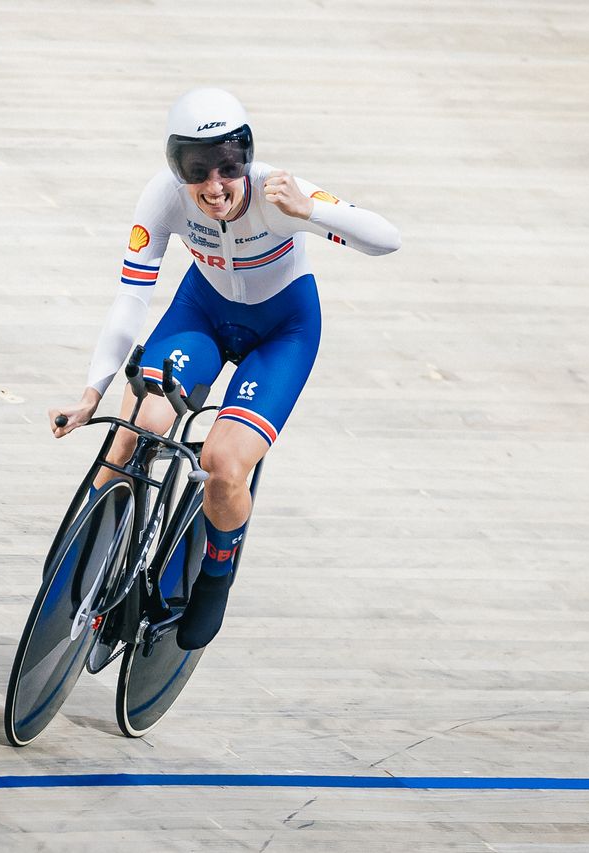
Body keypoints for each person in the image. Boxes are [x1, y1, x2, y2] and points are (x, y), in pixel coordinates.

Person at [48, 88, 400, 650]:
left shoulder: (280, 192)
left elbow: (388, 240)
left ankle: (215, 575)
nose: (214, 186)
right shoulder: (164, 197)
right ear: (176, 168)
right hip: (203, 314)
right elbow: (131, 299)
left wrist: (313, 212)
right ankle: (75, 571)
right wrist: (92, 391)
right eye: (196, 170)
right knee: (136, 426)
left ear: (247, 159)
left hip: (282, 331)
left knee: (222, 463)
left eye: (228, 167)